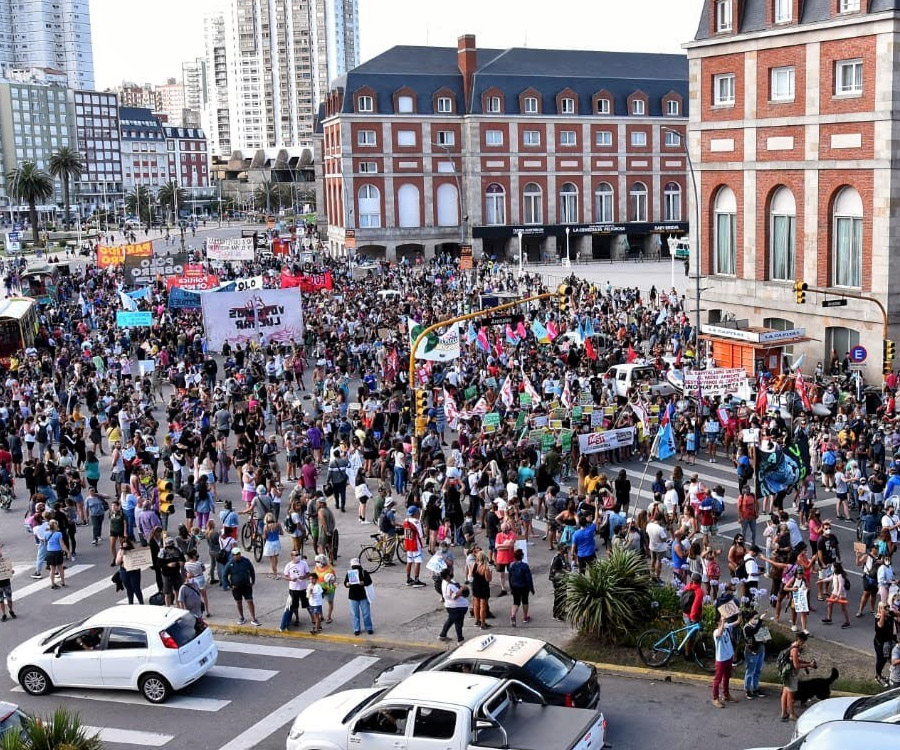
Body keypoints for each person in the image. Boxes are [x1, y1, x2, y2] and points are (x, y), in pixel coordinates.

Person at [781, 631, 817, 722]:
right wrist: (808, 665)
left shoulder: (792, 646)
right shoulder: (795, 649)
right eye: (803, 642)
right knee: (790, 695)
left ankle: (784, 712)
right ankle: (791, 714)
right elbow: (796, 665)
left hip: (786, 673)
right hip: (791, 674)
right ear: (800, 640)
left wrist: (806, 663)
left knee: (785, 693)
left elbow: (796, 659)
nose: (803, 644)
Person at [223, 548, 260, 626]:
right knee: (238, 602)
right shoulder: (230, 564)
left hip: (246, 585)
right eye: (236, 555)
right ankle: (241, 617)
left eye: (239, 554)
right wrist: (230, 585)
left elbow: (251, 570)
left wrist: (253, 581)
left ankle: (253, 618)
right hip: (236, 587)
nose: (238, 556)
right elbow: (225, 575)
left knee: (250, 601)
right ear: (233, 556)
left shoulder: (246, 561)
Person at [280, 550, 310, 632]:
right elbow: (284, 576)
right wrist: (291, 579)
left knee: (307, 604)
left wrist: (303, 577)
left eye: (298, 554)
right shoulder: (289, 565)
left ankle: (313, 618)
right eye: (296, 555)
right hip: (293, 588)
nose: (298, 556)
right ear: (292, 556)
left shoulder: (303, 563)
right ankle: (297, 618)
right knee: (294, 606)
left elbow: (308, 574)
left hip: (303, 588)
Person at [344, 557, 374, 635]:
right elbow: (345, 582)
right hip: (353, 596)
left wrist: (363, 582)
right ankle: (356, 629)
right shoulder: (349, 573)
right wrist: (347, 584)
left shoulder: (364, 572)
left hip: (363, 596)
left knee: (366, 613)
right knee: (355, 614)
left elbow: (369, 582)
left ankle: (369, 627)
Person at [438, 568, 469, 643]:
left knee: (451, 620)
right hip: (456, 607)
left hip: (453, 606)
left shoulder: (447, 582)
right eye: (450, 573)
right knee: (458, 622)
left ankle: (442, 635)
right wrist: (462, 590)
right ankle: (460, 640)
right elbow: (454, 596)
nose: (452, 573)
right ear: (448, 575)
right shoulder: (448, 586)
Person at [711, 613, 736, 708]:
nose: (724, 621)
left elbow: (737, 622)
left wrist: (740, 615)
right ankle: (715, 698)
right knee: (718, 679)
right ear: (718, 622)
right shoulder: (716, 631)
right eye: (721, 620)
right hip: (721, 660)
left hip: (728, 657)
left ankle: (726, 695)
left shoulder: (726, 628)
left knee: (727, 677)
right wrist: (722, 623)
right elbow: (719, 634)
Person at [742, 609, 768, 698]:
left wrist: (765, 638)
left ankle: (755, 688)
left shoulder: (759, 626)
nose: (756, 620)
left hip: (761, 650)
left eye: (757, 618)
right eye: (755, 618)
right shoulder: (747, 628)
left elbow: (764, 637)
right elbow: (754, 632)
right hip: (751, 652)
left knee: (757, 671)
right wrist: (760, 621)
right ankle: (748, 689)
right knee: (750, 671)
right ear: (750, 619)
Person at [508, 548, 535, 626]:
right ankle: (525, 617)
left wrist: (511, 587)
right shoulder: (525, 566)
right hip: (524, 586)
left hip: (514, 586)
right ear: (522, 556)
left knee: (516, 602)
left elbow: (510, 577)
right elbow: (528, 578)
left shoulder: (511, 565)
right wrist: (531, 588)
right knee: (525, 601)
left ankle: (513, 615)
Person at [158, 535, 185, 606]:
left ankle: (179, 606)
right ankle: (168, 606)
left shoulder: (178, 550)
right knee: (167, 592)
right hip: (167, 575)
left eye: (171, 543)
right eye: (168, 544)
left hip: (176, 573)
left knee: (178, 591)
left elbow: (183, 559)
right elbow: (159, 564)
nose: (170, 545)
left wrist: (181, 563)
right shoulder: (162, 552)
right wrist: (167, 565)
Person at [403, 506, 426, 587]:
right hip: (415, 544)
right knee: (417, 562)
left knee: (409, 561)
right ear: (416, 513)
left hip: (408, 544)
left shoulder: (406, 520)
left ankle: (408, 578)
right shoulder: (416, 522)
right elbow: (421, 535)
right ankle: (416, 580)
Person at [115, 538, 144, 605]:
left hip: (134, 571)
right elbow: (117, 562)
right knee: (129, 589)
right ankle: (130, 603)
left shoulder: (133, 551)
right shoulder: (120, 551)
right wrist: (122, 553)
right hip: (124, 571)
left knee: (136, 588)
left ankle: (141, 603)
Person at [44, 519, 69, 590]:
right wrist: (68, 552)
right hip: (57, 552)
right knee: (60, 568)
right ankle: (62, 582)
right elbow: (62, 544)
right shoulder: (59, 534)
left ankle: (52, 583)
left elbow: (45, 543)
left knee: (52, 569)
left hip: (49, 552)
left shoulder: (46, 533)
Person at [0, 549, 17, 621]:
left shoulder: (5, 562)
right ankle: (4, 614)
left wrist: (11, 571)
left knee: (9, 599)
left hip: (6, 583)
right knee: (1, 600)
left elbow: (10, 570)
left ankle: (11, 610)